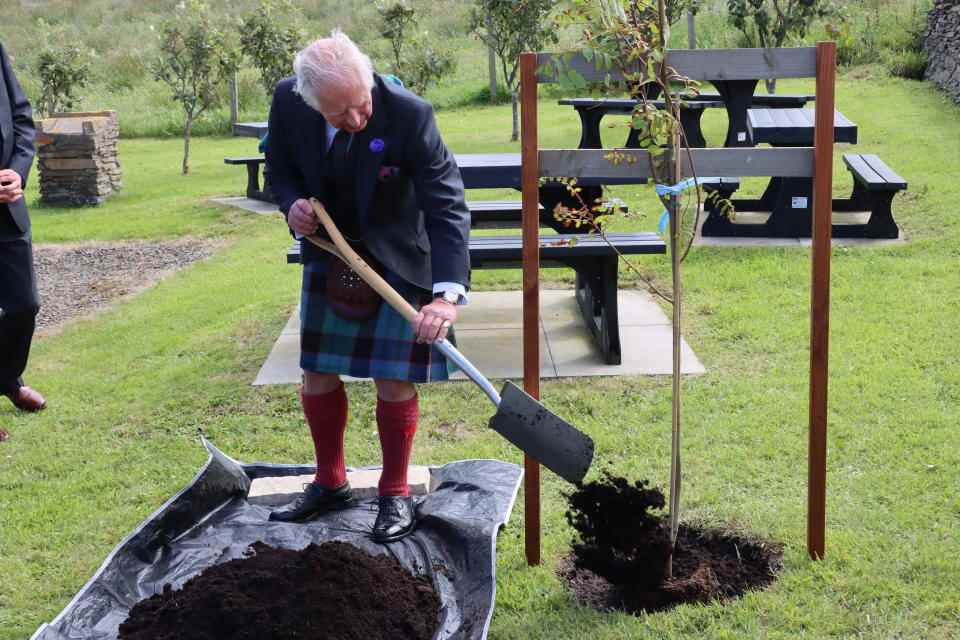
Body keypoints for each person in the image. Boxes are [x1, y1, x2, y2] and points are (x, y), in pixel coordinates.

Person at [265, 31, 470, 543]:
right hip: (330, 253)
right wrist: (292, 205)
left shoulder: (409, 114)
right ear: (310, 102)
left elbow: (446, 204)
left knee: (392, 379)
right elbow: (279, 171)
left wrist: (446, 295)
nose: (357, 120)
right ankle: (330, 482)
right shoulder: (288, 104)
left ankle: (395, 493)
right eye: (340, 115)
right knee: (317, 373)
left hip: (398, 257)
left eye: (362, 105)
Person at [0, 41, 45, 417]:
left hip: (7, 209)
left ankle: (7, 378)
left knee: (24, 305)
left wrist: (18, 170)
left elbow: (21, 118)